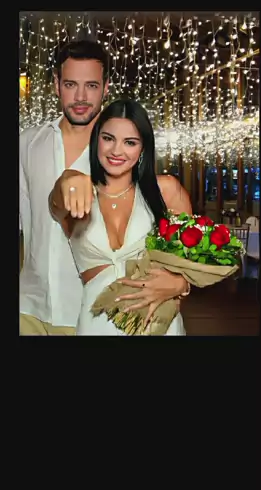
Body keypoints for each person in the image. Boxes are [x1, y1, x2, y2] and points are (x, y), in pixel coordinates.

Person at [19, 39, 190, 335]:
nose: (81, 97)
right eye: (70, 84)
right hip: (29, 306)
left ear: (106, 87)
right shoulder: (26, 144)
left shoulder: (119, 152)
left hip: (91, 308)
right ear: (56, 85)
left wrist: (181, 283)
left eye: (92, 86)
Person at [49, 98, 191, 335]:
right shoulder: (78, 193)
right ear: (96, 140)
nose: (116, 151)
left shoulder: (166, 191)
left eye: (130, 142)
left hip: (157, 327)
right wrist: (67, 177)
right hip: (95, 327)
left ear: (143, 148)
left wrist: (181, 284)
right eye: (108, 138)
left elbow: (191, 263)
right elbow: (55, 203)